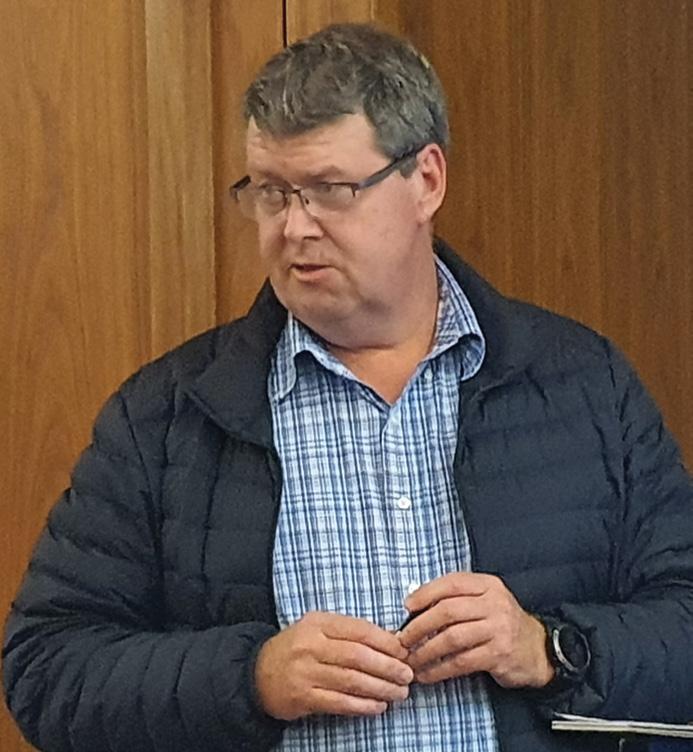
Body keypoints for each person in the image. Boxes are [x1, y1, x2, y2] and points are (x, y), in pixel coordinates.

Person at [3, 22, 693, 752]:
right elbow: (47, 671)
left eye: (330, 191)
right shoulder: (167, 416)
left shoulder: (582, 383)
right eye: (271, 193)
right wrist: (252, 678)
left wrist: (548, 648)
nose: (294, 228)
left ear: (426, 181)